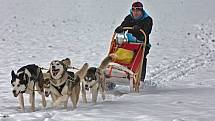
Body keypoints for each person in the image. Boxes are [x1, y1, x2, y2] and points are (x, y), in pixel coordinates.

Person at [115, 1, 153, 84]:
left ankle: (141, 79)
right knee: (117, 51)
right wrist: (121, 28)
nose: (135, 13)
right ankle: (115, 71)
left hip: (142, 43)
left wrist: (139, 29)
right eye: (134, 10)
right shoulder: (129, 17)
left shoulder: (148, 20)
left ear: (141, 11)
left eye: (138, 11)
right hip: (129, 42)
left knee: (141, 58)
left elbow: (147, 31)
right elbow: (124, 25)